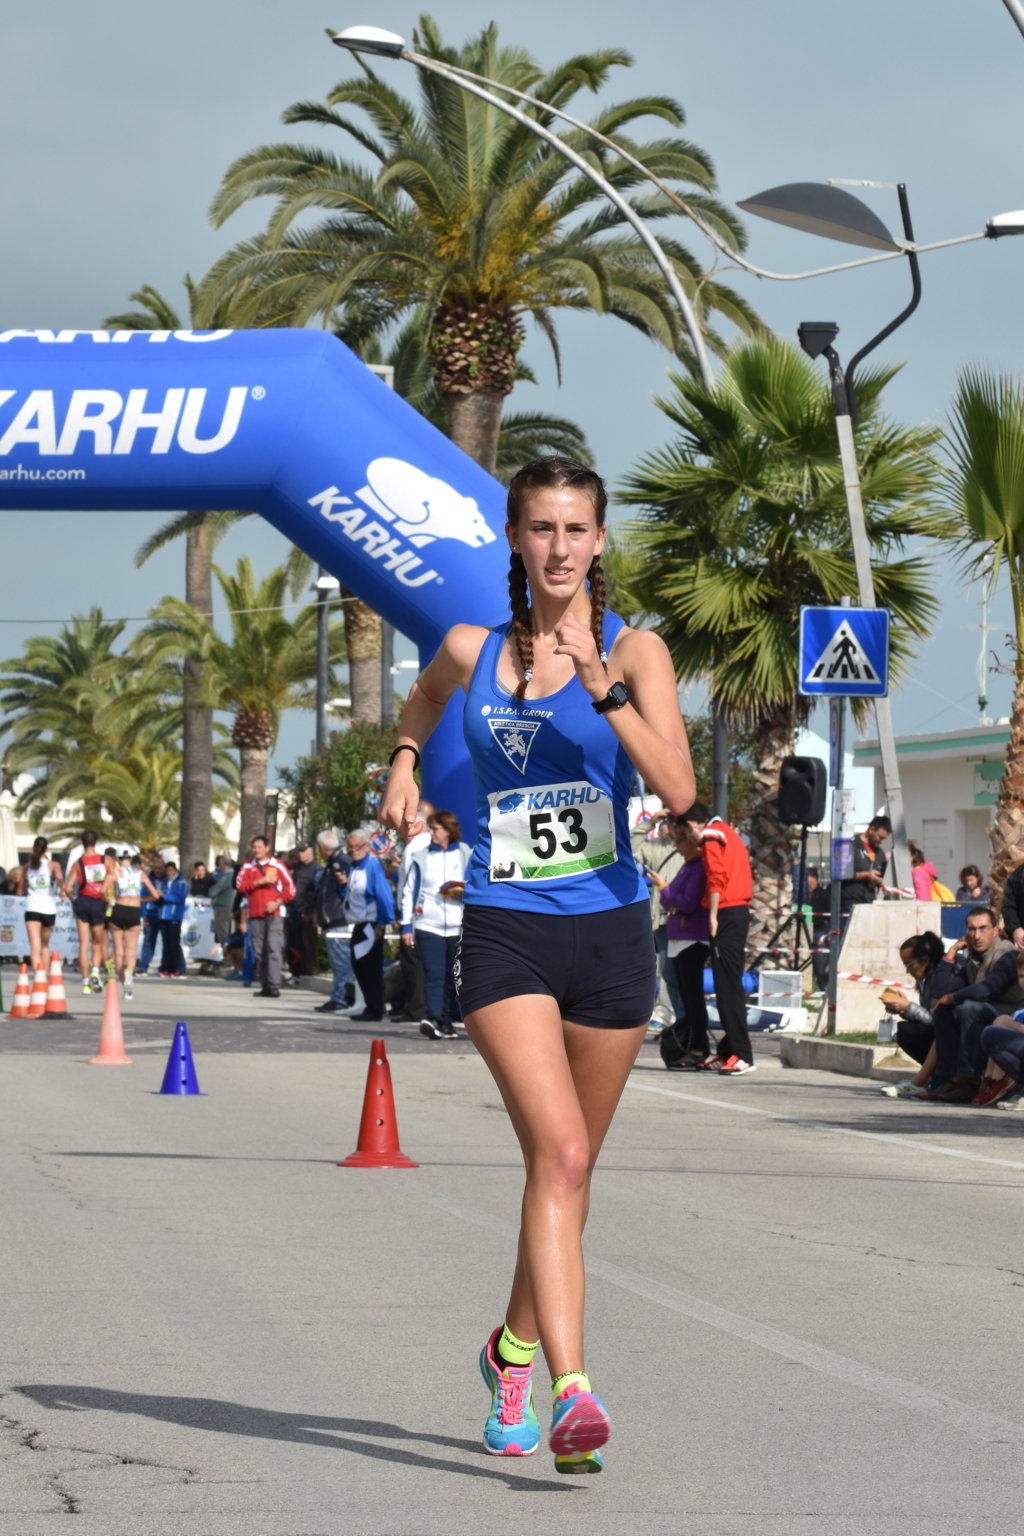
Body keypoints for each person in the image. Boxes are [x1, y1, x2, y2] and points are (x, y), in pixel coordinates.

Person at [379, 455, 694, 1474]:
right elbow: (423, 702)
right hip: (506, 929)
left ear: (600, 541)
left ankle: (509, 1352)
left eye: (576, 530)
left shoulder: (636, 652)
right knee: (557, 1156)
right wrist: (404, 763)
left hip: (611, 936)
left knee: (568, 1170)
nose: (559, 548)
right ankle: (571, 1391)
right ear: (515, 539)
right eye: (541, 529)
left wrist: (606, 693)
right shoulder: (469, 648)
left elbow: (679, 789)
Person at [680, 800, 756, 1074]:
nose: (690, 840)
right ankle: (728, 1051)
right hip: (737, 909)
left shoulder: (711, 835)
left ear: (692, 824)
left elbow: (716, 876)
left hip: (726, 911)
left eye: (686, 834)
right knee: (728, 983)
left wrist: (712, 915)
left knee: (727, 986)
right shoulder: (727, 831)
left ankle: (742, 1055)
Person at [925, 906, 1024, 1102]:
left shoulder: (1007, 954)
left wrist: (953, 997)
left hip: (1011, 1018)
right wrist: (952, 952)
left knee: (969, 1008)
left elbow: (986, 989)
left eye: (983, 928)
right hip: (986, 1015)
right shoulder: (974, 960)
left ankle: (968, 1081)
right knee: (945, 1009)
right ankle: (946, 1080)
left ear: (995, 930)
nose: (977, 935)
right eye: (972, 929)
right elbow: (938, 992)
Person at [400, 808, 472, 1040]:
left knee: (453, 976)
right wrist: (406, 925)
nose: (430, 832)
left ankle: (447, 1021)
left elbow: (476, 885)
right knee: (434, 973)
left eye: (435, 828)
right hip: (428, 924)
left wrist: (461, 892)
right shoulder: (421, 856)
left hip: (457, 925)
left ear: (448, 831)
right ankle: (433, 1018)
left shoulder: (464, 853)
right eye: (430, 828)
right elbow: (409, 891)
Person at [658, 817, 710, 1068]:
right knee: (686, 998)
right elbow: (669, 902)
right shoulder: (687, 865)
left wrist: (665, 888)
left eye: (680, 840)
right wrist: (668, 893)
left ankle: (698, 1048)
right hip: (680, 937)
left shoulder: (698, 867)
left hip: (692, 939)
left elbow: (686, 903)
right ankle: (691, 1044)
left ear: (691, 840)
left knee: (693, 998)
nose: (676, 846)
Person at [631, 809, 686, 1031]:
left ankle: (684, 1020)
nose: (671, 825)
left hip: (689, 919)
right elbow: (629, 846)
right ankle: (676, 1020)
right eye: (669, 820)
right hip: (664, 921)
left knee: (683, 973)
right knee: (668, 972)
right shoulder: (657, 847)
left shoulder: (696, 845)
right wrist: (650, 823)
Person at [878, 932, 951, 1099]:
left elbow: (936, 1019)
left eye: (909, 965)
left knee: (909, 1032)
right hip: (939, 1032)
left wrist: (908, 1008)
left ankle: (931, 1078)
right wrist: (902, 1009)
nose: (908, 971)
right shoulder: (925, 979)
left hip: (948, 1032)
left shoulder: (940, 978)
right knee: (905, 1030)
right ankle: (931, 1075)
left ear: (924, 961)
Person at [342, 829, 395, 1022]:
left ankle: (375, 1008)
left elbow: (384, 895)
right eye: (350, 847)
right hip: (360, 922)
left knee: (369, 967)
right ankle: (372, 1005)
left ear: (366, 847)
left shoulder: (372, 867)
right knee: (360, 965)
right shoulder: (353, 867)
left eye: (357, 846)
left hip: (371, 924)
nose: (353, 850)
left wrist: (382, 922)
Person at [235, 835, 295, 998]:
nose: (256, 850)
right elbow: (240, 886)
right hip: (255, 914)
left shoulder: (277, 864)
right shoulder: (248, 866)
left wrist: (277, 902)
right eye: (254, 847)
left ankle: (274, 985)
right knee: (259, 951)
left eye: (259, 847)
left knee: (273, 948)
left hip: (274, 914)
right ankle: (265, 985)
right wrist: (259, 881)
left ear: (267, 848)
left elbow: (290, 889)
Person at [105, 852, 161, 998]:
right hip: (134, 911)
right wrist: (141, 899)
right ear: (130, 859)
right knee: (131, 951)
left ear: (118, 859)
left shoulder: (115, 874)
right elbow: (155, 895)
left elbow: (101, 891)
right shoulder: (140, 874)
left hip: (118, 909)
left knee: (118, 951)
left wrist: (109, 901)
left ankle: (124, 984)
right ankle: (129, 979)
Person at [62, 830, 111, 995]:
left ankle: (85, 983)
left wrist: (74, 900)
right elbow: (113, 880)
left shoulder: (78, 863)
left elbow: (67, 889)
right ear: (96, 842)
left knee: (83, 944)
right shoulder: (106, 860)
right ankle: (95, 971)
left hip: (83, 901)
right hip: (98, 901)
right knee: (97, 942)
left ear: (82, 843)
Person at [314, 829, 355, 1014]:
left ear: (323, 847)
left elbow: (350, 887)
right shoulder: (333, 863)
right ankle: (339, 996)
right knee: (338, 962)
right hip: (334, 920)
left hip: (339, 919)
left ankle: (342, 998)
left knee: (341, 962)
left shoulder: (341, 861)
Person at [19, 836, 63, 977]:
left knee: (35, 947)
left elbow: (20, 890)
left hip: (32, 908)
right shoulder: (53, 864)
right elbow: (60, 877)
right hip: (49, 909)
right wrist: (62, 891)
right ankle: (44, 976)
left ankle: (40, 978)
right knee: (45, 946)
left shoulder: (27, 867)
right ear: (47, 849)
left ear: (33, 848)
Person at [839, 816, 891, 911]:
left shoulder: (880, 854)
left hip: (871, 905)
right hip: (850, 905)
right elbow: (841, 874)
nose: (882, 842)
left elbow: (882, 880)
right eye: (880, 837)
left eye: (884, 839)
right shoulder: (850, 846)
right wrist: (866, 875)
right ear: (871, 829)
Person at [287, 842, 320, 980]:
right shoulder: (296, 868)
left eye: (303, 851)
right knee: (294, 944)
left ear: (311, 851)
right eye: (299, 851)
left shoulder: (317, 869)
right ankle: (296, 973)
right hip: (294, 911)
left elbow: (319, 892)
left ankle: (310, 973)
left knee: (308, 945)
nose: (300, 854)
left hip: (308, 912)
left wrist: (315, 912)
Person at [156, 861, 189, 978]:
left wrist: (163, 896)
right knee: (166, 943)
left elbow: (179, 898)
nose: (169, 873)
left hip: (174, 916)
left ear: (175, 870)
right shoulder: (164, 882)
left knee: (174, 943)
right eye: (167, 870)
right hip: (163, 915)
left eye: (171, 870)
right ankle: (166, 967)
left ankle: (179, 967)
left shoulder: (181, 882)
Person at [207, 856, 237, 946]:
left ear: (222, 864)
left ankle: (226, 954)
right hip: (233, 907)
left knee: (223, 936)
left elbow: (212, 892)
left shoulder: (226, 877)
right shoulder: (235, 875)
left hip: (223, 908)